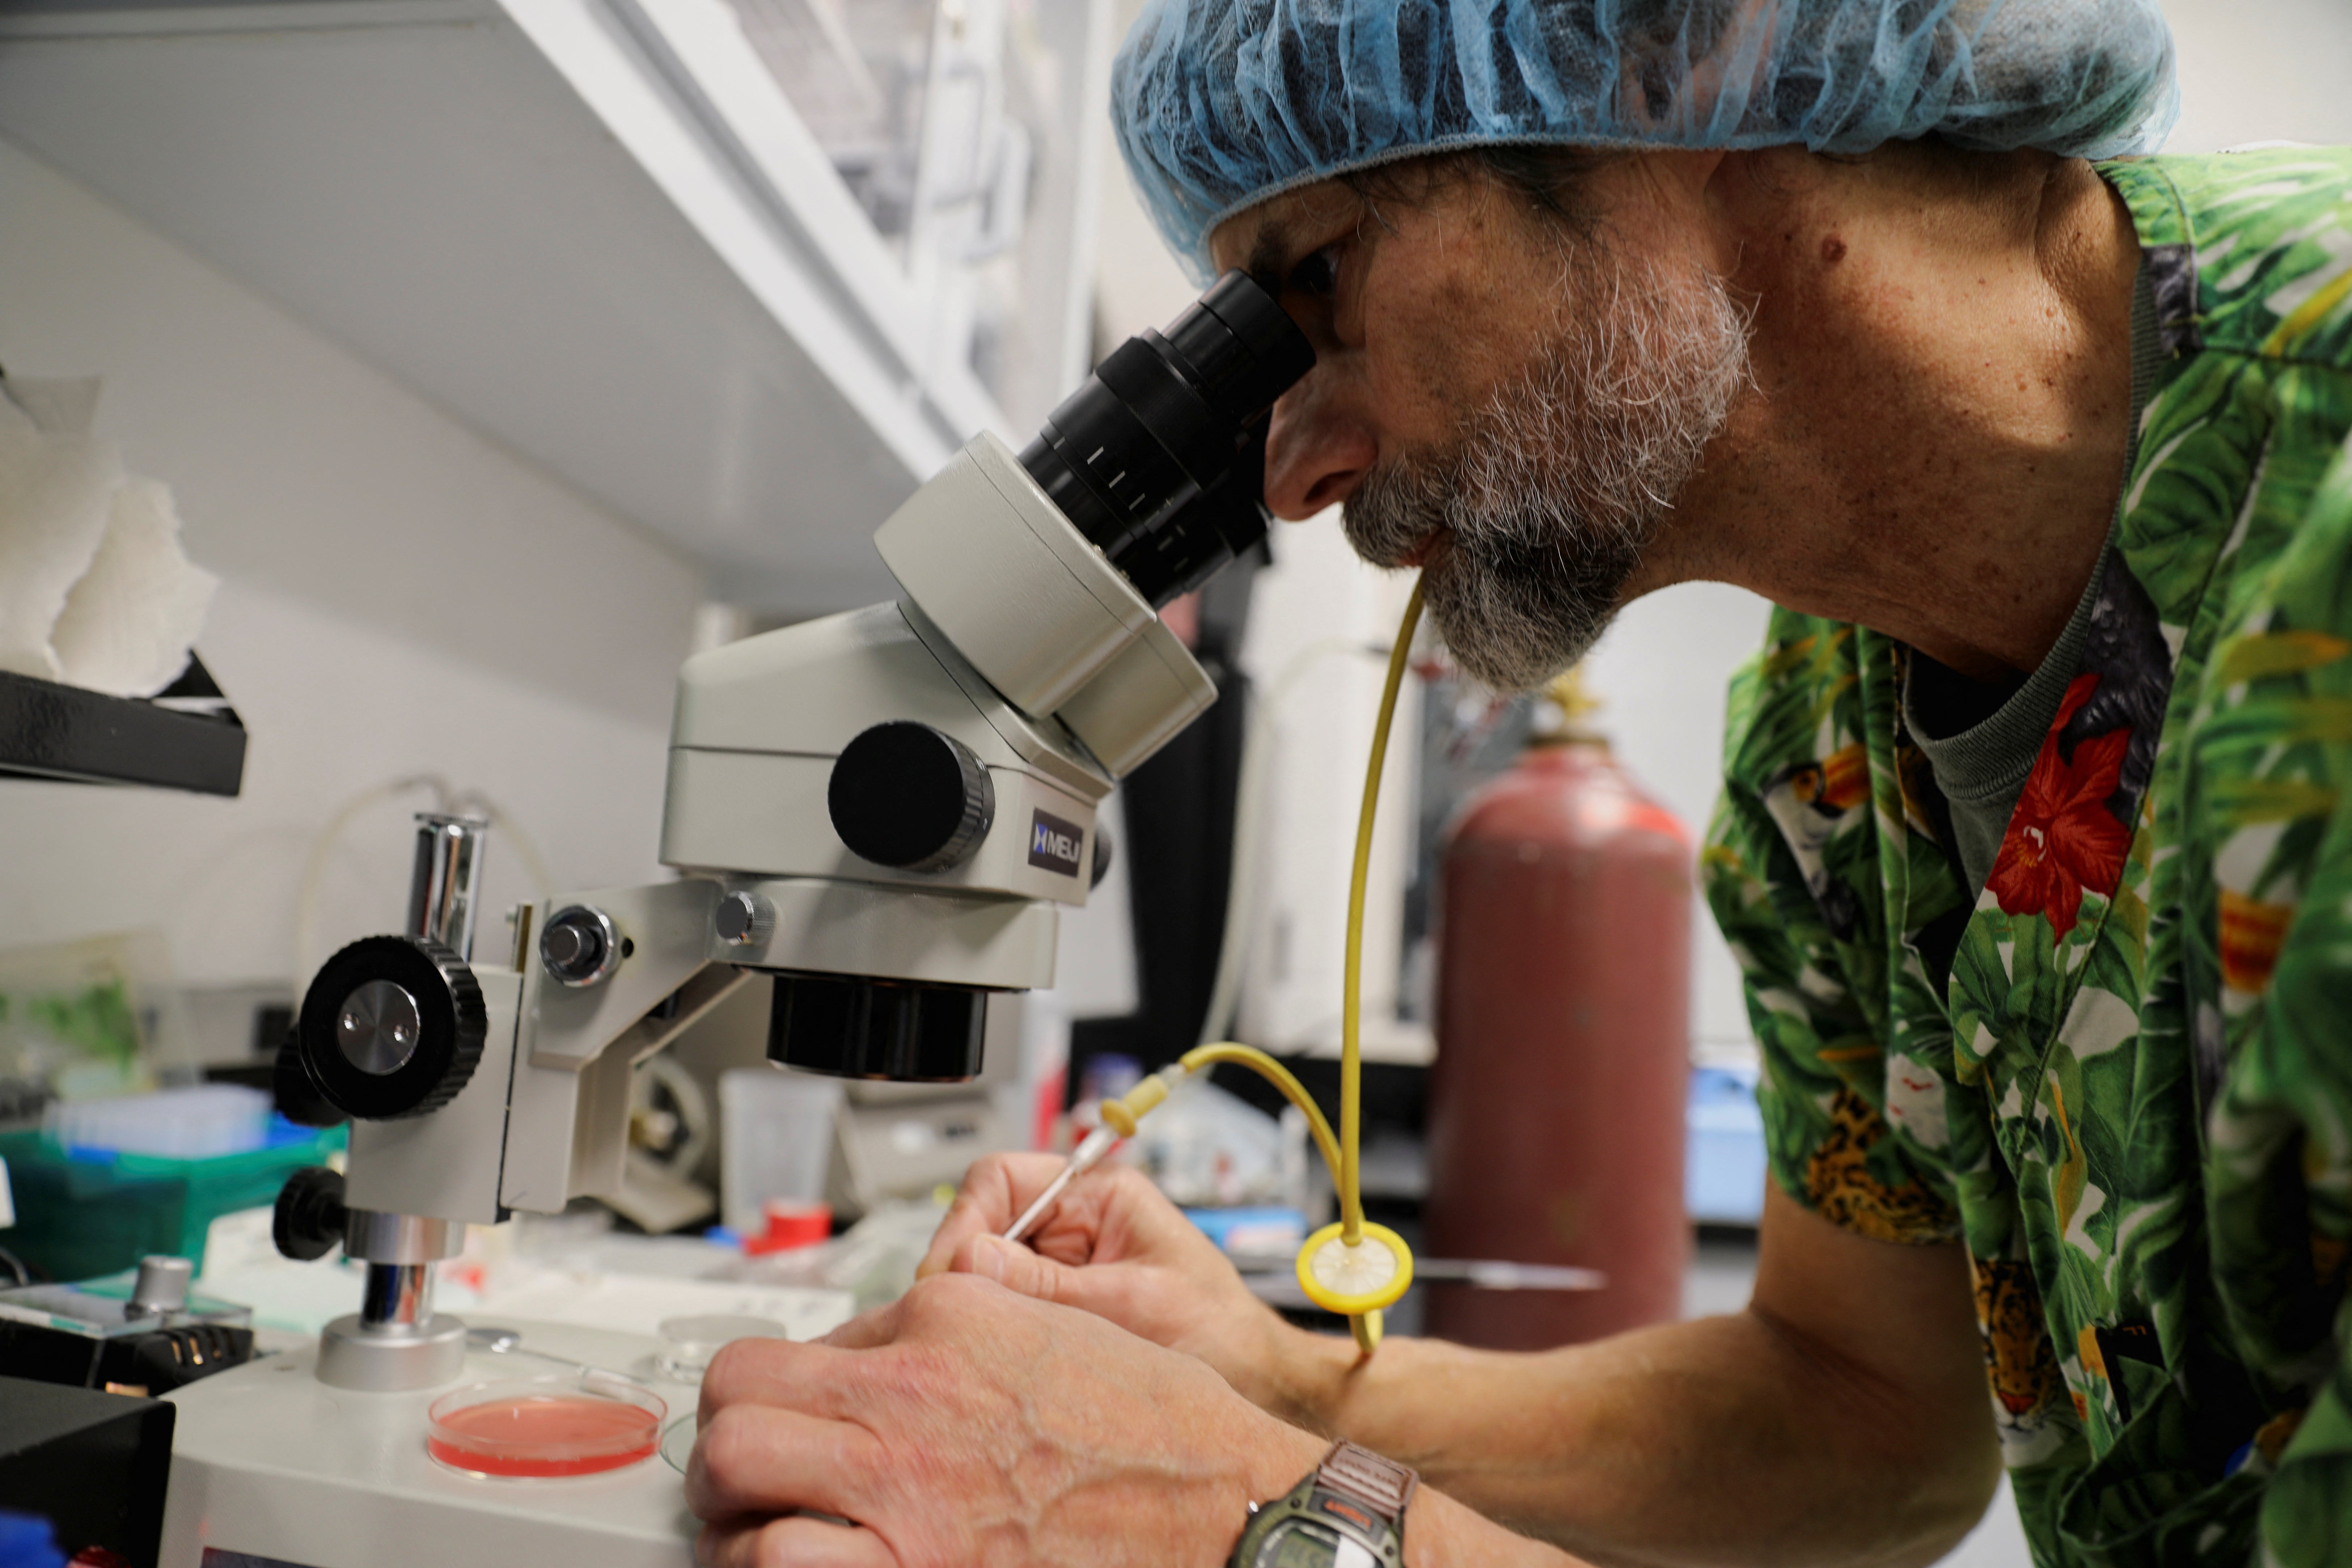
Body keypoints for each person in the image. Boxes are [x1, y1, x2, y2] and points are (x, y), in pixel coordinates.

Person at [686, 1, 2352, 1563]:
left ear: (1681, 54)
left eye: (1320, 279)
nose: (1293, 472)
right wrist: (1254, 1377)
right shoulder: (1828, 743)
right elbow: (1858, 1413)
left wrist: (1251, 1520)